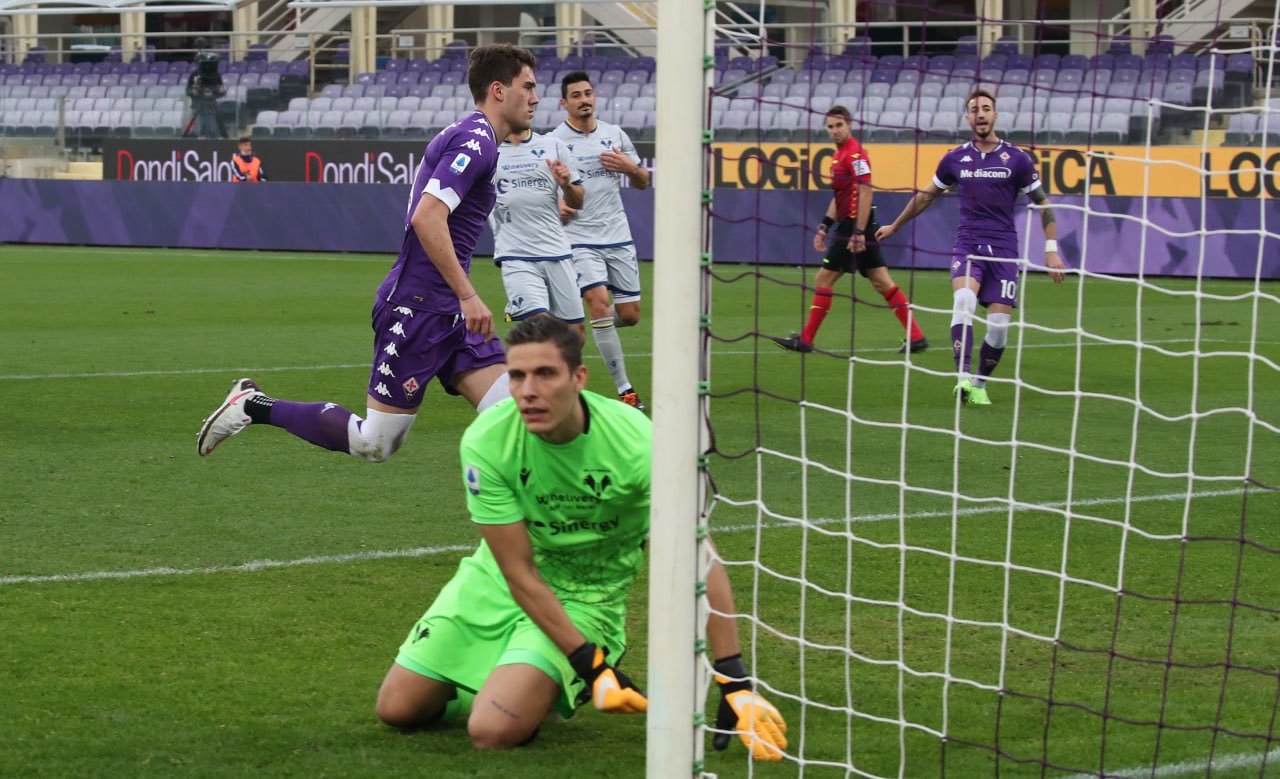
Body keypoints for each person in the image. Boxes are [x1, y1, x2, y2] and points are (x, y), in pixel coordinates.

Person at [374, 316, 789, 761]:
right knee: (398, 709)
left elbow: (698, 558)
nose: (528, 391)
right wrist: (589, 666)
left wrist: (734, 680)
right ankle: (527, 684)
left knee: (491, 731)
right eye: (517, 376)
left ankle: (528, 688)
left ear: (578, 377)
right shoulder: (487, 441)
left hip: (586, 595)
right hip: (496, 581)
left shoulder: (642, 446)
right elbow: (518, 571)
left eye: (545, 374)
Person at [196, 44, 540, 459]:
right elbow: (427, 219)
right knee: (375, 443)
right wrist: (468, 295)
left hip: (449, 314)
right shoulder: (476, 140)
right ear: (499, 90)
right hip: (419, 308)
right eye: (529, 86)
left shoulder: (477, 138)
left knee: (519, 417)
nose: (536, 97)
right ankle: (252, 405)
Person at [876, 89, 1067, 405]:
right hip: (968, 244)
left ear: (995, 116)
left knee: (999, 329)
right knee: (963, 299)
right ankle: (962, 378)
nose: (981, 113)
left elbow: (1044, 204)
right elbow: (925, 196)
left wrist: (1050, 248)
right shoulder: (954, 159)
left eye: (986, 108)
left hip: (1005, 249)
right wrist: (895, 225)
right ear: (968, 118)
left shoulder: (1017, 159)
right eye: (975, 109)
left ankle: (979, 383)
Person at [772, 105, 928, 355]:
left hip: (855, 226)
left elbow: (866, 191)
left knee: (823, 278)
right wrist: (824, 225)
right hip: (853, 224)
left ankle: (806, 340)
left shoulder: (856, 154)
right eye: (830, 127)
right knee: (881, 280)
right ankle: (916, 336)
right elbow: (840, 197)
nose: (834, 131)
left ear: (849, 125)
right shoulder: (838, 156)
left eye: (839, 126)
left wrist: (858, 231)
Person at [550, 72, 650, 412]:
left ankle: (601, 323)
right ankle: (626, 390)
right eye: (576, 95)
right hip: (579, 238)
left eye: (588, 93)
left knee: (630, 315)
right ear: (564, 103)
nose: (584, 99)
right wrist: (558, 204)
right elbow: (543, 189)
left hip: (618, 236)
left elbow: (644, 181)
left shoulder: (614, 135)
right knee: (597, 301)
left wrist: (628, 167)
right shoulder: (555, 141)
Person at [489, 127, 585, 337]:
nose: (532, 102)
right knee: (542, 329)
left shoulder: (554, 146)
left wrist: (567, 185)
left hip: (557, 251)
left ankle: (551, 370)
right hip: (515, 255)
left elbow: (578, 200)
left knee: (575, 335)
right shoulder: (488, 151)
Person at [185, 37, 225, 140]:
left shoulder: (216, 75)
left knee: (212, 128)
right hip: (197, 105)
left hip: (211, 106)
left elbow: (221, 91)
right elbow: (188, 90)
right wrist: (193, 92)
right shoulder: (194, 75)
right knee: (200, 129)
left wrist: (220, 91)